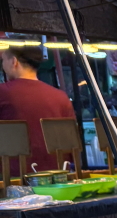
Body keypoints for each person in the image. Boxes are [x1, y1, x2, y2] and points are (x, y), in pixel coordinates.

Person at [0, 44, 74, 178]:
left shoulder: (3, 92)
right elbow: (72, 143)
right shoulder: (60, 97)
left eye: (3, 60)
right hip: (58, 176)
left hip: (13, 178)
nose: (2, 65)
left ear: (14, 61)